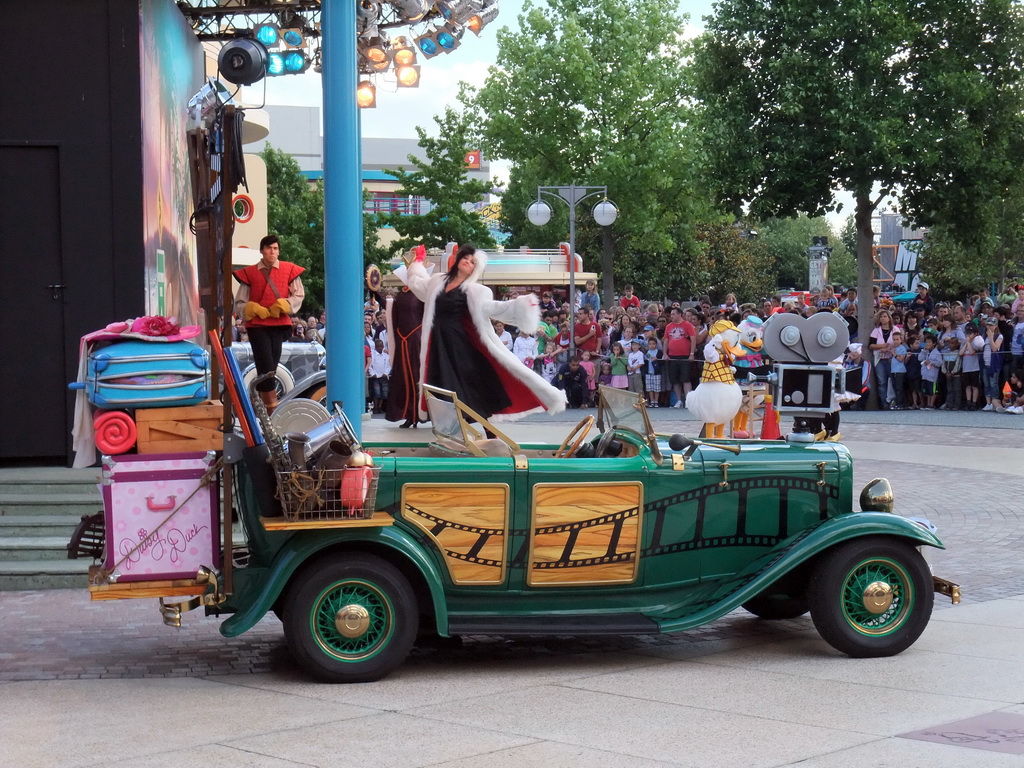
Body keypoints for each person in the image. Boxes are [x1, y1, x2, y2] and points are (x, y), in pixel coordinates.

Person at [405, 244, 565, 421]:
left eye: (472, 261)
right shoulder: (437, 280)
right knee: (440, 384)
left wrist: (520, 306)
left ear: (475, 269)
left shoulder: (477, 291)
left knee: (470, 385)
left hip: (459, 345)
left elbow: (495, 308)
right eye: (465, 257)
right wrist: (417, 263)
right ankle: (448, 430)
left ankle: (489, 434)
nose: (467, 261)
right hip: (437, 344)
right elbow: (418, 285)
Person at [233, 234, 305, 413]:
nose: (273, 251)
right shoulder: (250, 273)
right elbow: (239, 303)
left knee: (270, 368)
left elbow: (299, 295)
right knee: (265, 366)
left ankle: (259, 403)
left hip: (279, 324)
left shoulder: (289, 270)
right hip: (257, 325)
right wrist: (252, 308)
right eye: (269, 248)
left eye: (275, 248)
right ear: (262, 251)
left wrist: (285, 305)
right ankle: (272, 410)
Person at [662, 306, 696, 408]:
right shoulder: (669, 326)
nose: (671, 316)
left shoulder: (688, 325)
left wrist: (692, 354)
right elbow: (666, 340)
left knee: (686, 379)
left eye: (673, 314)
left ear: (679, 314)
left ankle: (688, 401)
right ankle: (678, 400)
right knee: (675, 380)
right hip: (672, 356)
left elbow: (693, 339)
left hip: (685, 356)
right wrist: (665, 353)